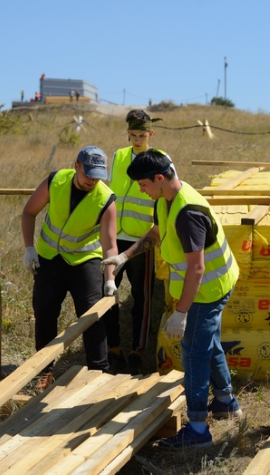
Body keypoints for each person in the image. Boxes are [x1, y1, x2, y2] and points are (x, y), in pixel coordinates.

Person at [102, 150, 241, 449]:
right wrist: (125, 256)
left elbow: (197, 268)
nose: (141, 189)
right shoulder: (166, 199)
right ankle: (226, 402)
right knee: (209, 343)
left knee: (193, 352)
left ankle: (199, 430)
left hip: (207, 290)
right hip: (209, 286)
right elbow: (155, 233)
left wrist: (180, 313)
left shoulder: (188, 212)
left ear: (159, 178)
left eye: (143, 184)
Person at [22, 145, 119, 386]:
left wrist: (109, 279)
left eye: (98, 177)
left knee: (92, 314)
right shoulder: (55, 181)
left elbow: (109, 245)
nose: (92, 181)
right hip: (49, 258)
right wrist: (28, 248)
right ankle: (44, 370)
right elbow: (29, 212)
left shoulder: (106, 199)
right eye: (88, 175)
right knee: (44, 312)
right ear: (76, 166)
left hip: (83, 261)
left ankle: (99, 371)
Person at [102, 110, 172, 375]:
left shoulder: (161, 159)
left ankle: (137, 352)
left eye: (142, 135)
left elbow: (167, 196)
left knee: (142, 298)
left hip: (143, 241)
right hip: (114, 239)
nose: (137, 140)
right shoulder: (119, 156)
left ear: (151, 134)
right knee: (108, 294)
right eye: (133, 135)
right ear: (127, 133)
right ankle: (113, 350)